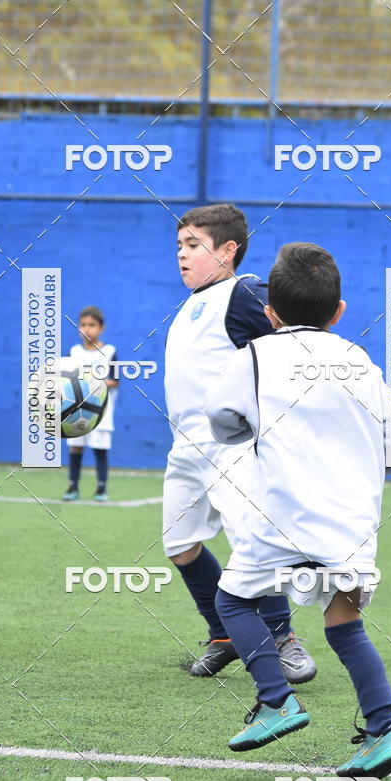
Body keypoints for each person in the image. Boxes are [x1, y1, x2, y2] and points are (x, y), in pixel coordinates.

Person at [205, 242, 391, 779]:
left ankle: (277, 700)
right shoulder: (362, 362)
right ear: (338, 311)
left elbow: (222, 423)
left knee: (233, 600)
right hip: (352, 526)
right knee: (346, 624)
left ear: (270, 313)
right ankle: (385, 729)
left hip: (283, 520)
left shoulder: (254, 356)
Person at [163, 204, 316, 682]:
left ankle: (281, 637)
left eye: (194, 245)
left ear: (229, 250)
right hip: (185, 449)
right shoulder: (191, 305)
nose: (182, 254)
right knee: (180, 545)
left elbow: (298, 342)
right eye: (179, 246)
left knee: (253, 543)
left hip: (232, 447)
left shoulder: (245, 292)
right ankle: (224, 634)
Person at [62, 306, 119, 502]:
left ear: (101, 328)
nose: (87, 329)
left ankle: (101, 489)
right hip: (75, 411)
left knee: (99, 449)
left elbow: (115, 381)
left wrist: (93, 382)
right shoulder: (74, 351)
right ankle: (73, 487)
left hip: (100, 412)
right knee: (75, 448)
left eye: (92, 325)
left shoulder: (109, 351)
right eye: (83, 324)